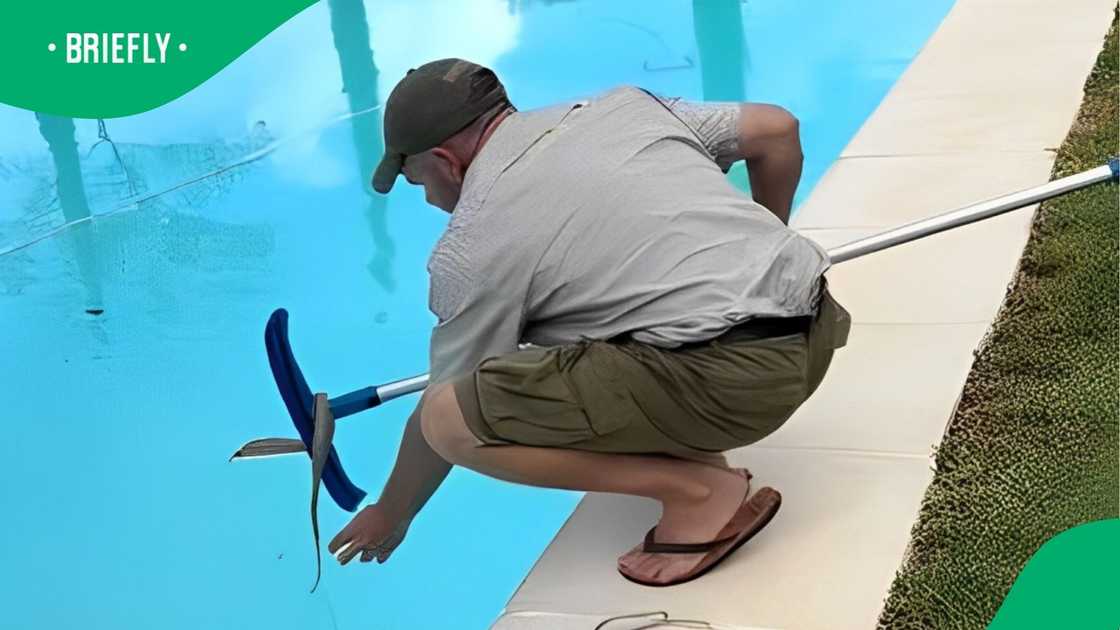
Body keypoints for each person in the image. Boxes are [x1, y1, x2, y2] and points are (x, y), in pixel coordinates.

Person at [328, 58, 850, 587]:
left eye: (420, 184)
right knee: (579, 330)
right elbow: (776, 130)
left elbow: (442, 411)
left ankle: (698, 494)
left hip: (740, 386)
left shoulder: (472, 245)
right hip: (817, 327)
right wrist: (762, 253)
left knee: (447, 419)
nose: (432, 201)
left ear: (445, 161)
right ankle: (699, 452)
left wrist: (391, 512)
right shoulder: (624, 108)